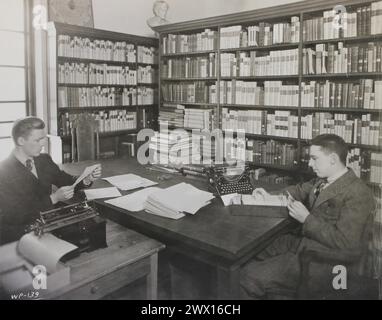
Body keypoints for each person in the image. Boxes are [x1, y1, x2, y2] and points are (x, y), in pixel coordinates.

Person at [240, 134, 375, 299]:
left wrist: (306, 219)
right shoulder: (322, 180)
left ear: (333, 159)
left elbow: (345, 242)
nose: (310, 164)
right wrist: (269, 197)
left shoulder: (358, 193)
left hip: (323, 261)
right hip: (304, 243)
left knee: (248, 277)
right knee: (248, 252)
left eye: (314, 158)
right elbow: (298, 190)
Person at [0, 117, 102, 245]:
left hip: (49, 224)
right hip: (20, 235)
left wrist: (86, 179)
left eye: (44, 138)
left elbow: (66, 181)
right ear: (21, 141)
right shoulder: (3, 171)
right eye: (38, 140)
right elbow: (15, 215)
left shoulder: (44, 159)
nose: (43, 144)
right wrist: (53, 198)